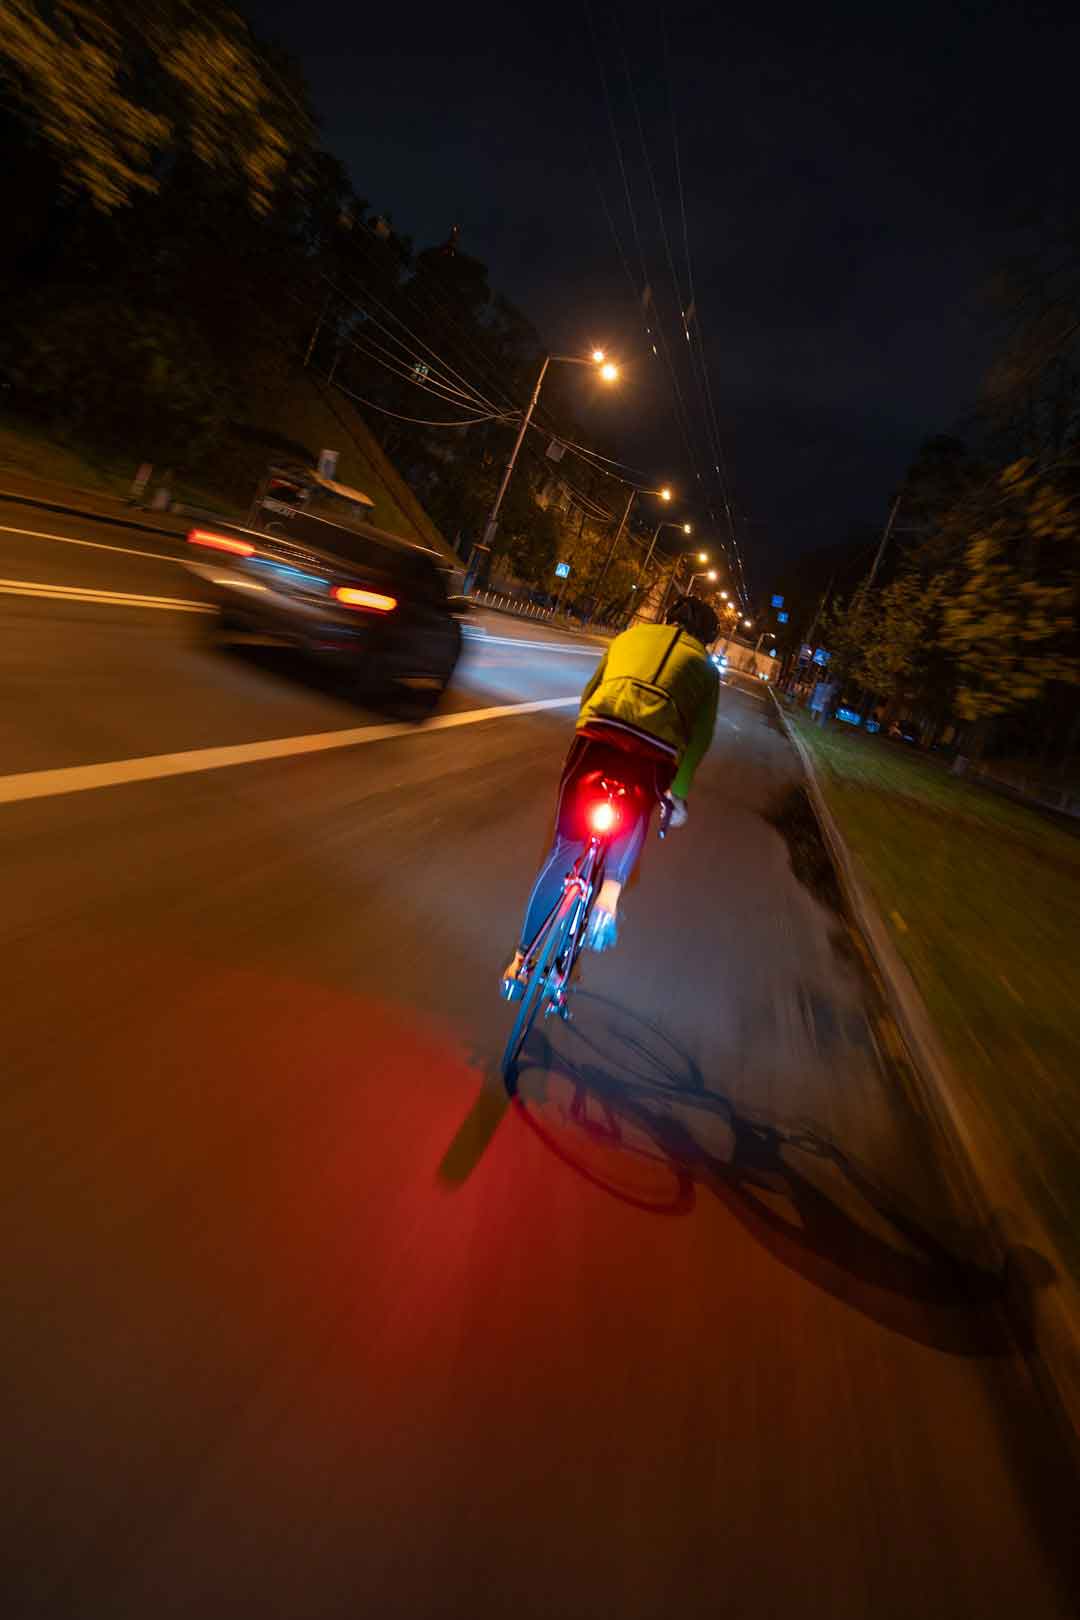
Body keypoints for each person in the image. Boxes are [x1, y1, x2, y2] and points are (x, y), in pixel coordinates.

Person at [501, 594, 721, 993]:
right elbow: (700, 738)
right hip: (652, 751)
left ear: (666, 618)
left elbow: (590, 692)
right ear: (706, 638)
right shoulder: (705, 669)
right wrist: (678, 794)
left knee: (565, 846)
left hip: (597, 735)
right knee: (634, 815)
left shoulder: (630, 636)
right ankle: (610, 893)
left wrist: (588, 732)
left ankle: (521, 962)